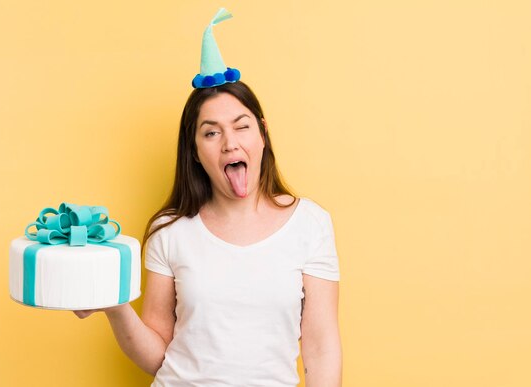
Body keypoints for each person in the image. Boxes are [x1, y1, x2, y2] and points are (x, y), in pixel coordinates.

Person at [76, 9, 341, 387]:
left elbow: (322, 347)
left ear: (262, 134)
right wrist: (114, 307)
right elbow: (157, 354)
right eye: (211, 133)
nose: (230, 142)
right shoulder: (169, 231)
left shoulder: (311, 225)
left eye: (241, 126)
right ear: (195, 150)